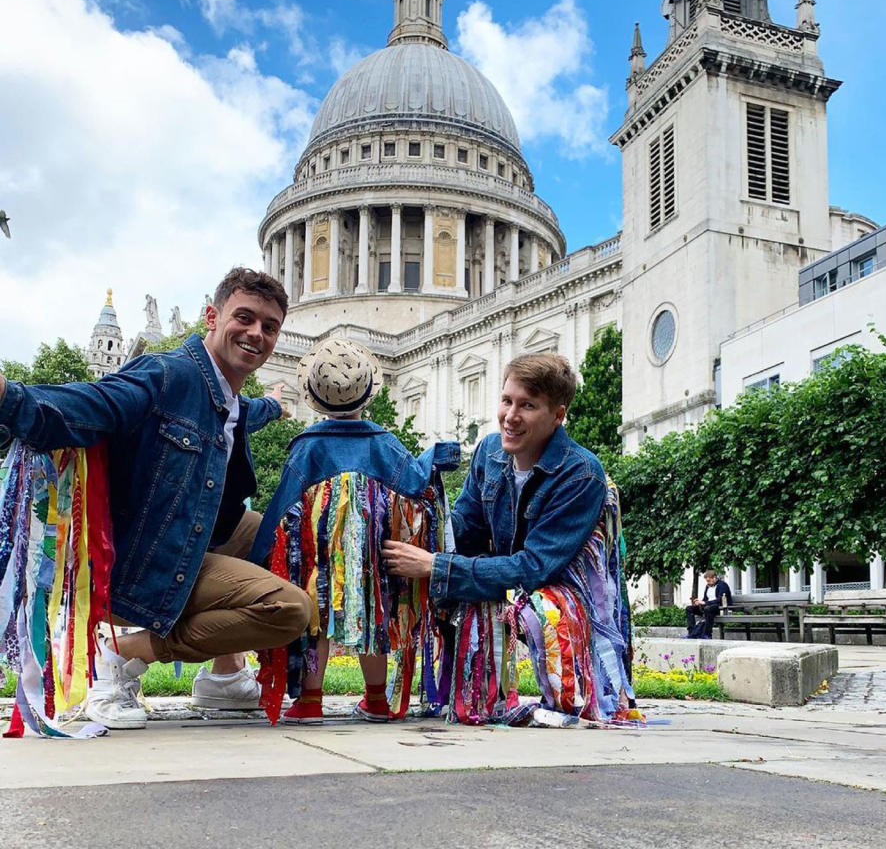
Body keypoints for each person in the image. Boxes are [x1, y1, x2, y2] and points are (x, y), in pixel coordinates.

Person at [0, 267, 312, 729]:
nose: (256, 334)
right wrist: (9, 397)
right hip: (140, 563)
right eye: (244, 318)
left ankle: (225, 678)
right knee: (291, 609)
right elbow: (91, 406)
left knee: (283, 531)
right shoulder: (166, 374)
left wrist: (276, 403)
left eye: (269, 327)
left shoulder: (229, 396)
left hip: (186, 534)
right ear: (211, 315)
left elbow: (248, 412)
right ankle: (120, 654)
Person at [383, 353, 633, 720]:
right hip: (508, 579)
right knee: (445, 585)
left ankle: (564, 697)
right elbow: (463, 529)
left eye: (527, 406)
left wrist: (438, 567)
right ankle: (466, 696)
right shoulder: (489, 451)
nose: (510, 416)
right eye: (507, 401)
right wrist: (413, 522)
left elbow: (533, 569)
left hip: (561, 597)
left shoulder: (582, 476)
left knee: (516, 601)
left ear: (558, 415)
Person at [249, 338, 459, 724]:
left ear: (313, 397)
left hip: (318, 560)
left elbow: (282, 504)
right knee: (373, 617)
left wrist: (258, 553)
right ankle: (376, 699)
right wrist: (437, 456)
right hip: (372, 562)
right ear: (367, 397)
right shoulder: (385, 444)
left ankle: (310, 701)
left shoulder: (307, 447)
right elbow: (415, 483)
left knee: (316, 618)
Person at [685, 569, 733, 639]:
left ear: (714, 578)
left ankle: (707, 634)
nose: (707, 582)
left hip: (719, 608)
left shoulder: (722, 585)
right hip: (707, 607)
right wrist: (699, 602)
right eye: (706, 580)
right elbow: (705, 599)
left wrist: (705, 603)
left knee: (708, 609)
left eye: (709, 580)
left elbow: (720, 600)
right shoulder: (707, 586)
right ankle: (692, 633)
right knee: (689, 608)